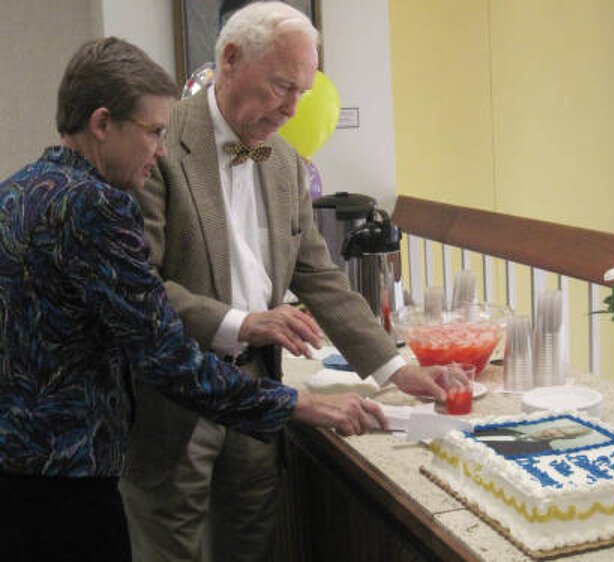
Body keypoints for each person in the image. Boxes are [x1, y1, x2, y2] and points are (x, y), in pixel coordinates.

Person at [0, 36, 389, 562]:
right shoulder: (96, 205)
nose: (160, 148)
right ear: (100, 124)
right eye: (154, 132)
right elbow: (168, 357)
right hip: (70, 474)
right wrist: (301, 404)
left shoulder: (18, 189)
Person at [118, 2, 454, 561]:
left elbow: (320, 273)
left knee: (249, 546)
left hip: (259, 391)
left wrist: (396, 368)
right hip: (176, 400)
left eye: (303, 90)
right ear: (230, 60)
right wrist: (241, 322)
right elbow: (141, 286)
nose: (293, 108)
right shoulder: (158, 142)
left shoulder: (286, 164)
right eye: (281, 87)